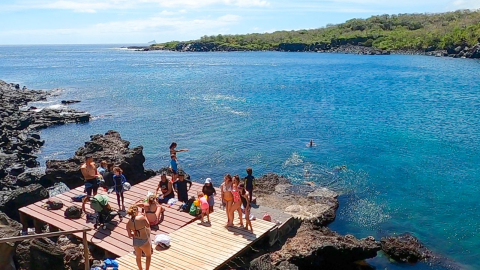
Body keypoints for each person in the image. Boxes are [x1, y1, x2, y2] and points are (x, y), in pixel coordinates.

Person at [126, 205, 151, 270]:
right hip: (144, 240)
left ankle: (140, 269)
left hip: (136, 241)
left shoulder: (128, 223)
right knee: (148, 256)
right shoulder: (141, 218)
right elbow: (148, 225)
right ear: (136, 211)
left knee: (138, 257)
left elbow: (129, 235)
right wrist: (145, 217)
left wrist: (135, 233)